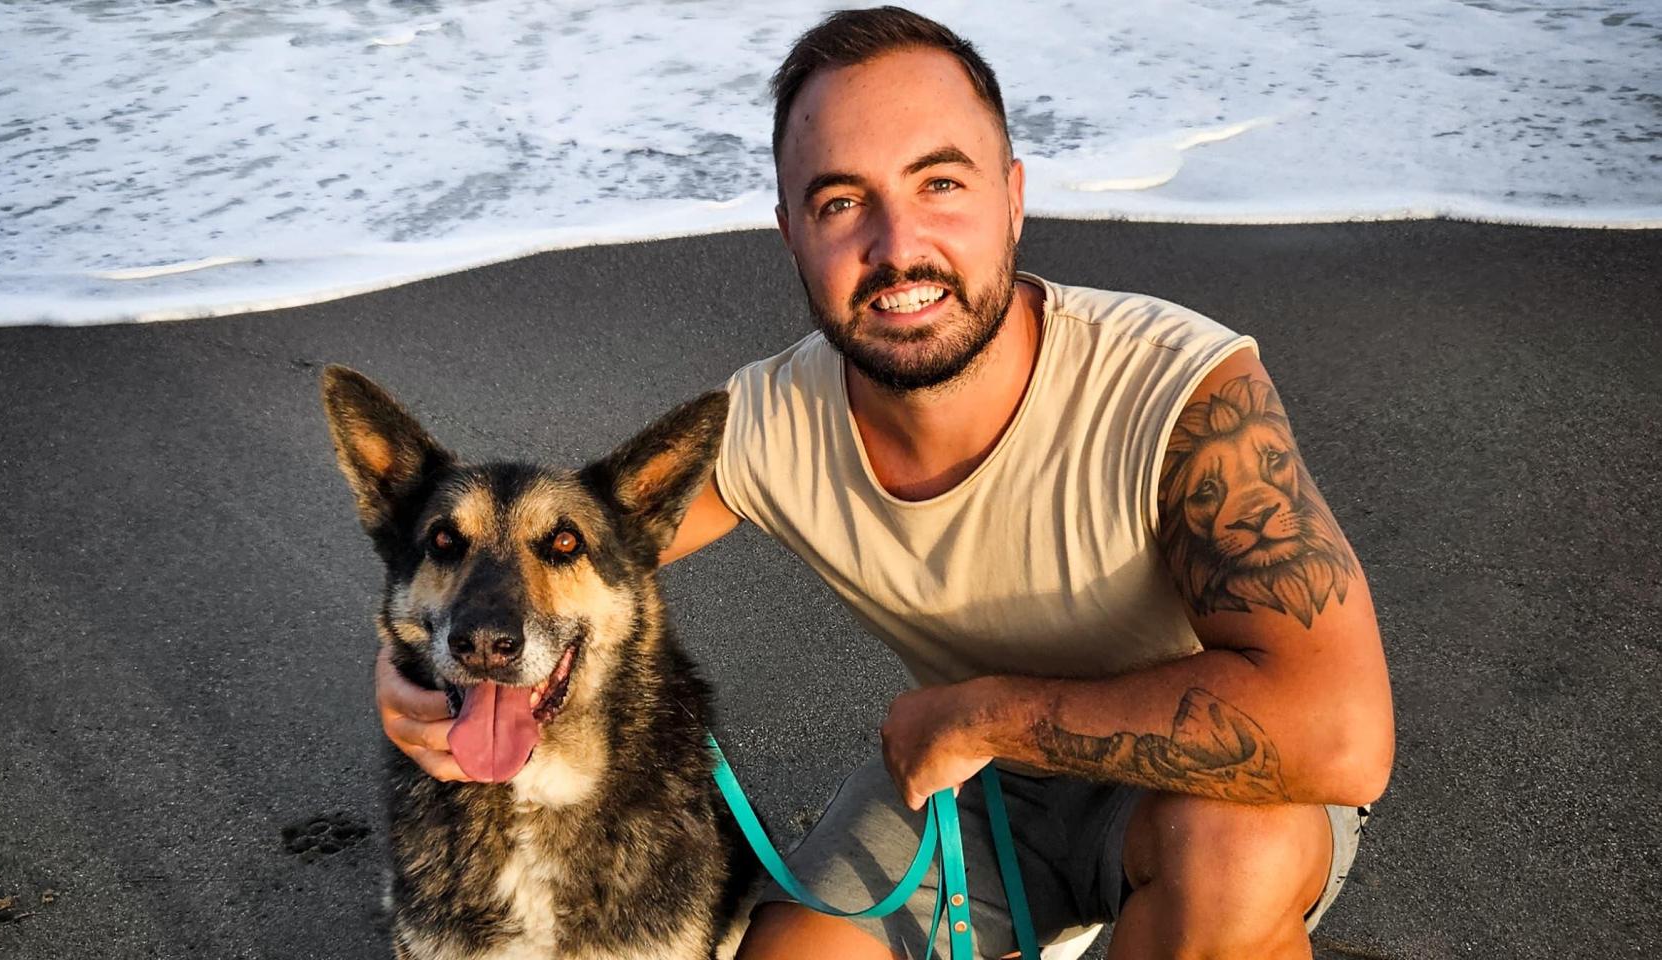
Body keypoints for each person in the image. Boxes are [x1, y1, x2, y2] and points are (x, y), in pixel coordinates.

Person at [374, 7, 1394, 958]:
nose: (897, 246)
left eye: (939, 184)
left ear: (1012, 195)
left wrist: (982, 715)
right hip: (969, 791)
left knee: (1232, 862)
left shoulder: (1175, 387)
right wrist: (422, 673)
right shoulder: (774, 418)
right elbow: (572, 562)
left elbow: (1342, 739)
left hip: (1190, 792)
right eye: (841, 201)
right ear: (790, 233)